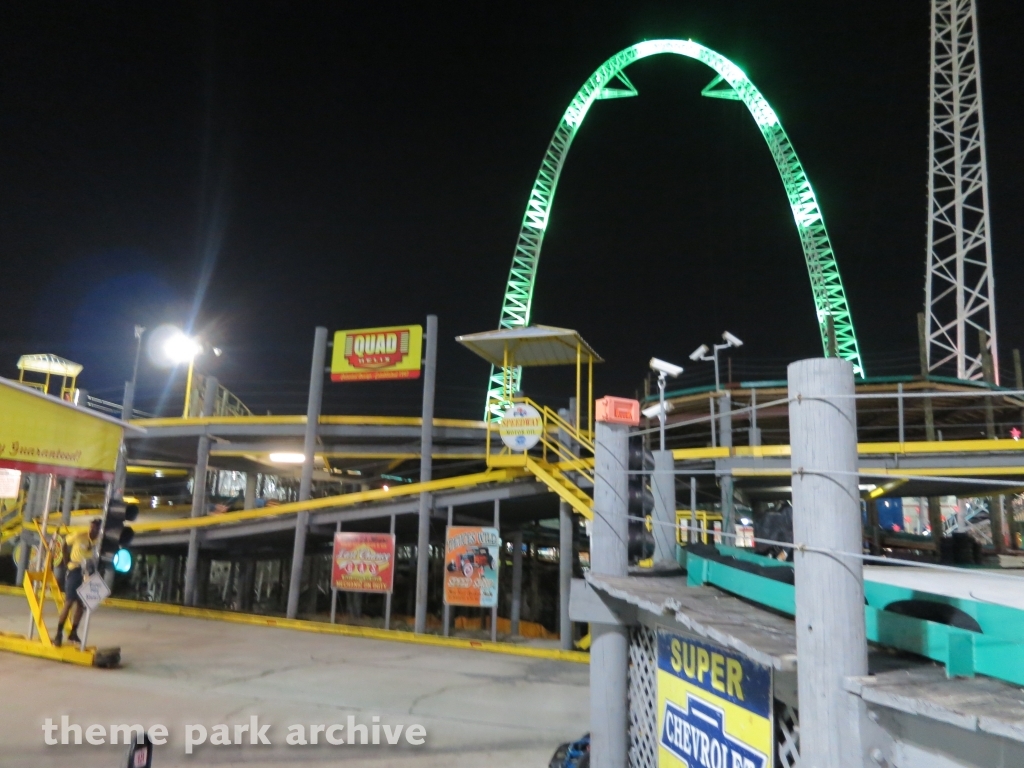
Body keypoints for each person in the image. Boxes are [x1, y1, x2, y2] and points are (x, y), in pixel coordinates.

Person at [54, 518, 101, 647]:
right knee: (69, 602)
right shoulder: (80, 535)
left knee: (81, 604)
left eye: (95, 528)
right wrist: (65, 561)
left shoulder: (99, 543)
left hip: (88, 573)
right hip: (74, 570)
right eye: (91, 527)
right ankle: (58, 633)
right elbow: (64, 543)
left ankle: (73, 632)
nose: (91, 530)